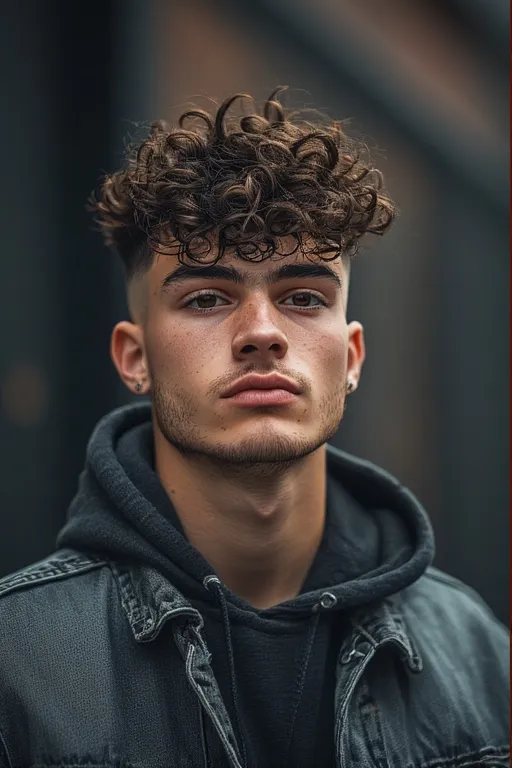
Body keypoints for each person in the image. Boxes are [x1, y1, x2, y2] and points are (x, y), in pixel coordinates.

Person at [0, 88, 508, 768]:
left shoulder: (477, 655)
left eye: (304, 297)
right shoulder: (17, 662)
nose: (262, 333)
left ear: (352, 357)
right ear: (135, 358)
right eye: (208, 298)